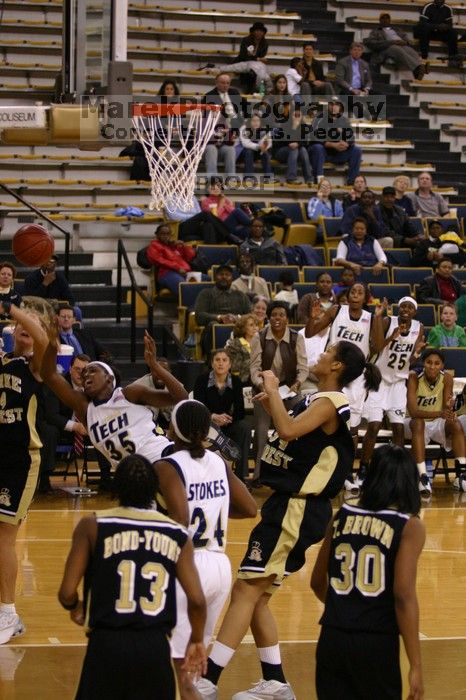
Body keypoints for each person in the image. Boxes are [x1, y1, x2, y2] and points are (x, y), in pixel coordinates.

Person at [199, 341, 380, 700]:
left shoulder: (331, 402)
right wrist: (270, 400)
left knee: (246, 589)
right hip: (288, 506)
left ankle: (208, 680)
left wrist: (272, 390)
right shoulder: (318, 399)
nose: (320, 356)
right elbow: (294, 430)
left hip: (298, 508)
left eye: (327, 354)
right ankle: (276, 683)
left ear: (337, 366)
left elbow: (287, 431)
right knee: (257, 596)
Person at [58, 453, 207, 700]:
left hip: (106, 644)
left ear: (117, 486)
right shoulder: (177, 534)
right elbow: (198, 600)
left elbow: (66, 592)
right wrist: (197, 639)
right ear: (154, 490)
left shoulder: (92, 525)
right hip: (155, 647)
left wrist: (75, 607)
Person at [153, 400, 256, 699]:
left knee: (183, 673)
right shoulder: (219, 462)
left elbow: (180, 522)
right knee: (193, 670)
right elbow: (250, 508)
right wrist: (215, 511)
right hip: (219, 565)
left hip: (188, 567)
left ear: (174, 428)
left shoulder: (167, 466)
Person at [311, 444, 425, 700]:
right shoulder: (409, 525)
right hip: (376, 642)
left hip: (332, 637)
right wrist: (416, 664)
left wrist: (345, 609)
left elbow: (317, 581)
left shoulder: (343, 514)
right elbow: (403, 596)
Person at [40, 330, 192, 522]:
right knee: (152, 533)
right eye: (84, 372)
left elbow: (182, 398)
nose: (86, 373)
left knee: (179, 523)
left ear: (109, 378)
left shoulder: (129, 394)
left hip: (163, 459)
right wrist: (52, 347)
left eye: (93, 370)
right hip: (133, 479)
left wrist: (154, 366)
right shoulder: (85, 409)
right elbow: (49, 375)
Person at [0, 298, 50, 644]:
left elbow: (44, 341)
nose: (24, 326)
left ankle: (7, 613)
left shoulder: (36, 366)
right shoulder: (3, 361)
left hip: (21, 459)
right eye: (20, 322)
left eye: (31, 323)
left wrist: (14, 308)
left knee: (4, 537)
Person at [305, 283, 381, 478]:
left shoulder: (370, 318)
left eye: (360, 292)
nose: (355, 295)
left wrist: (379, 319)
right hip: (333, 373)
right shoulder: (337, 310)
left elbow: (378, 346)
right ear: (347, 296)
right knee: (328, 418)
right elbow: (309, 332)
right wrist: (312, 318)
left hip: (355, 377)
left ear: (366, 298)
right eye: (352, 291)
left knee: (352, 426)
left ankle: (346, 472)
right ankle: (322, 467)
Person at [360, 297, 425, 488]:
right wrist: (393, 336)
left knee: (398, 429)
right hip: (379, 381)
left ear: (414, 311)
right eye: (403, 305)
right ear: (398, 308)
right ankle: (364, 468)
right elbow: (377, 347)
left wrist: (417, 353)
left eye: (410, 307)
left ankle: (396, 472)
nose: (405, 309)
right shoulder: (388, 321)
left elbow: (411, 361)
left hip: (398, 383)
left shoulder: (419, 327)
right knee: (373, 427)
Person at [249, 300, 309, 483]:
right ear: (268, 317)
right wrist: (264, 386)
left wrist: (297, 384)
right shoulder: (258, 337)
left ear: (287, 318)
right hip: (264, 390)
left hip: (289, 390)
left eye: (281, 315)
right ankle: (258, 475)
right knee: (261, 431)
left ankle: (294, 474)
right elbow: (254, 369)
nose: (277, 318)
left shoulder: (296, 337)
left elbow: (303, 368)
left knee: (298, 429)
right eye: (274, 314)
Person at [405, 347, 466, 495]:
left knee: (455, 423)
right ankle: (422, 476)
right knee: (418, 423)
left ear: (442, 366)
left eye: (437, 363)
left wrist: (449, 408)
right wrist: (441, 413)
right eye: (429, 362)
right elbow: (413, 412)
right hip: (413, 423)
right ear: (423, 363)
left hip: (436, 421)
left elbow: (446, 404)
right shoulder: (414, 377)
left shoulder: (447, 378)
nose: (432, 366)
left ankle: (462, 474)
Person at [194, 350, 252, 482]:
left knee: (244, 427)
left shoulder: (236, 381)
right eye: (217, 360)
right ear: (212, 363)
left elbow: (240, 411)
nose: (221, 363)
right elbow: (199, 406)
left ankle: (240, 477)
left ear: (230, 364)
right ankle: (202, 476)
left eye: (224, 360)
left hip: (228, 424)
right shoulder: (202, 380)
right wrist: (213, 417)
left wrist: (227, 419)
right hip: (207, 424)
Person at [201, 22, 272, 93]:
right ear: (253, 32)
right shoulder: (246, 40)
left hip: (254, 66)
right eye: (257, 30)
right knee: (228, 76)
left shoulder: (265, 43)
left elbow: (262, 56)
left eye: (261, 31)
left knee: (255, 75)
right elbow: (243, 55)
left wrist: (255, 59)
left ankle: (252, 92)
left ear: (263, 33)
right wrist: (257, 58)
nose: (259, 33)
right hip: (242, 62)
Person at [309, 100, 362, 186]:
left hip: (339, 153)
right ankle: (318, 180)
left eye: (337, 104)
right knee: (317, 147)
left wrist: (346, 143)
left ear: (340, 107)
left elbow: (351, 137)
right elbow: (313, 137)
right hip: (323, 153)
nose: (334, 107)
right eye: (331, 104)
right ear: (327, 106)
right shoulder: (319, 118)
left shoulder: (344, 120)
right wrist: (332, 144)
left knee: (356, 150)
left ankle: (352, 182)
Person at [145, 223, 203, 296]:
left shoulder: (174, 246)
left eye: (168, 234)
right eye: (162, 234)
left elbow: (190, 256)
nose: (165, 236)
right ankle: (192, 306)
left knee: (207, 279)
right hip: (167, 273)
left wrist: (183, 246)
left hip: (185, 272)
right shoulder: (154, 245)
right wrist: (177, 268)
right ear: (157, 235)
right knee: (184, 287)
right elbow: (159, 260)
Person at [365, 13, 426, 79]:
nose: (385, 20)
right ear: (380, 20)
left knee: (411, 51)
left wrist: (405, 42)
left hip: (401, 45)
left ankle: (417, 72)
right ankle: (419, 67)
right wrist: (392, 42)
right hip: (386, 48)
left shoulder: (397, 29)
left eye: (387, 18)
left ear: (390, 20)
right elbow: (372, 43)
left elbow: (408, 41)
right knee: (395, 48)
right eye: (383, 18)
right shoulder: (375, 31)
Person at [203, 74, 241, 176]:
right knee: (211, 149)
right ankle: (212, 180)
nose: (225, 85)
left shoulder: (235, 94)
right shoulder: (209, 96)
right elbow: (205, 122)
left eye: (228, 83)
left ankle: (231, 178)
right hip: (212, 136)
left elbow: (240, 117)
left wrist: (234, 133)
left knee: (231, 150)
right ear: (216, 83)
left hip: (231, 135)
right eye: (222, 83)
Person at [272, 108, 313, 184]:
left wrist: (298, 144)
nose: (297, 117)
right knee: (294, 149)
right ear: (291, 115)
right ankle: (291, 178)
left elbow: (305, 141)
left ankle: (309, 179)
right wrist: (294, 127)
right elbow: (281, 141)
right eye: (295, 115)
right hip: (280, 152)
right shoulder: (284, 125)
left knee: (303, 150)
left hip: (295, 154)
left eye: (299, 115)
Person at [416, 0, 461, 67]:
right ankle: (424, 56)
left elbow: (450, 25)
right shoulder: (428, 6)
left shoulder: (448, 8)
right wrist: (437, 26)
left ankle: (453, 58)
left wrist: (445, 27)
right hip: (429, 32)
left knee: (453, 32)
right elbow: (422, 23)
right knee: (423, 30)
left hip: (440, 32)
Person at [225, 313, 259, 386]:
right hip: (242, 382)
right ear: (243, 328)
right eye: (251, 325)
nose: (255, 328)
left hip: (259, 380)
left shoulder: (261, 343)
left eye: (256, 325)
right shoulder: (234, 345)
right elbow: (236, 369)